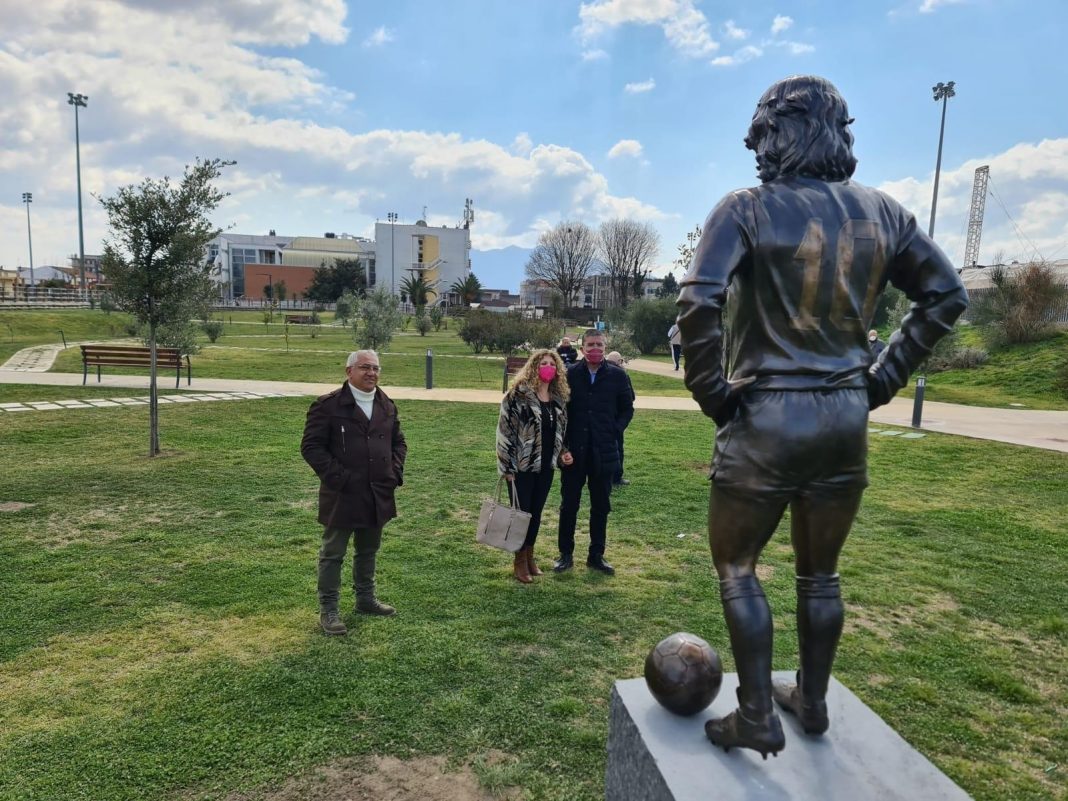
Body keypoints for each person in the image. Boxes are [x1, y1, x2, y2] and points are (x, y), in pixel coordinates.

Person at [677, 75, 967, 757]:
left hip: (767, 417)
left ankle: (755, 712)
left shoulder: (744, 209)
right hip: (843, 418)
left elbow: (698, 302)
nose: (754, 146)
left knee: (738, 568)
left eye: (764, 132)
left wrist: (715, 394)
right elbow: (945, 294)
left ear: (791, 132)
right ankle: (811, 698)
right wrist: (881, 378)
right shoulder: (884, 213)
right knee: (821, 574)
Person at [301, 350, 408, 636]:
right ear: (349, 371)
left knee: (368, 549)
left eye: (375, 368)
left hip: (378, 491)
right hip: (343, 493)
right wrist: (340, 478)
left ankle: (365, 599)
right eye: (364, 367)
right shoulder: (328, 406)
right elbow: (311, 447)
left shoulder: (386, 405)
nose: (371, 373)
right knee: (333, 553)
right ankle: (329, 609)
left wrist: (393, 473)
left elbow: (399, 442)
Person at [554, 330, 635, 575]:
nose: (595, 348)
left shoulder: (618, 376)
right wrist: (564, 447)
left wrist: (615, 430)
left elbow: (627, 408)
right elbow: (560, 411)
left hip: (604, 451)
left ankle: (596, 555)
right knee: (569, 505)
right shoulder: (569, 374)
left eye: (599, 344)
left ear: (605, 346)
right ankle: (565, 554)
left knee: (601, 506)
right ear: (582, 348)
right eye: (590, 344)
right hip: (574, 453)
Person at [496, 350, 574, 583]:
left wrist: (563, 453)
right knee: (522, 514)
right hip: (521, 467)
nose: (548, 367)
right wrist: (507, 467)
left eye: (552, 364)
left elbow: (559, 432)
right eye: (543, 363)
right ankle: (519, 561)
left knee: (536, 514)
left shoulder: (558, 399)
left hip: (546, 467)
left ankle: (530, 555)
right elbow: (504, 432)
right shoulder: (517, 396)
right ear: (534, 367)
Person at [605, 351, 635, 487]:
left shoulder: (601, 372)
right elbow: (631, 397)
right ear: (620, 361)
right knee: (618, 449)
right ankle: (616, 478)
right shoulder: (622, 375)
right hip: (616, 419)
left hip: (601, 418)